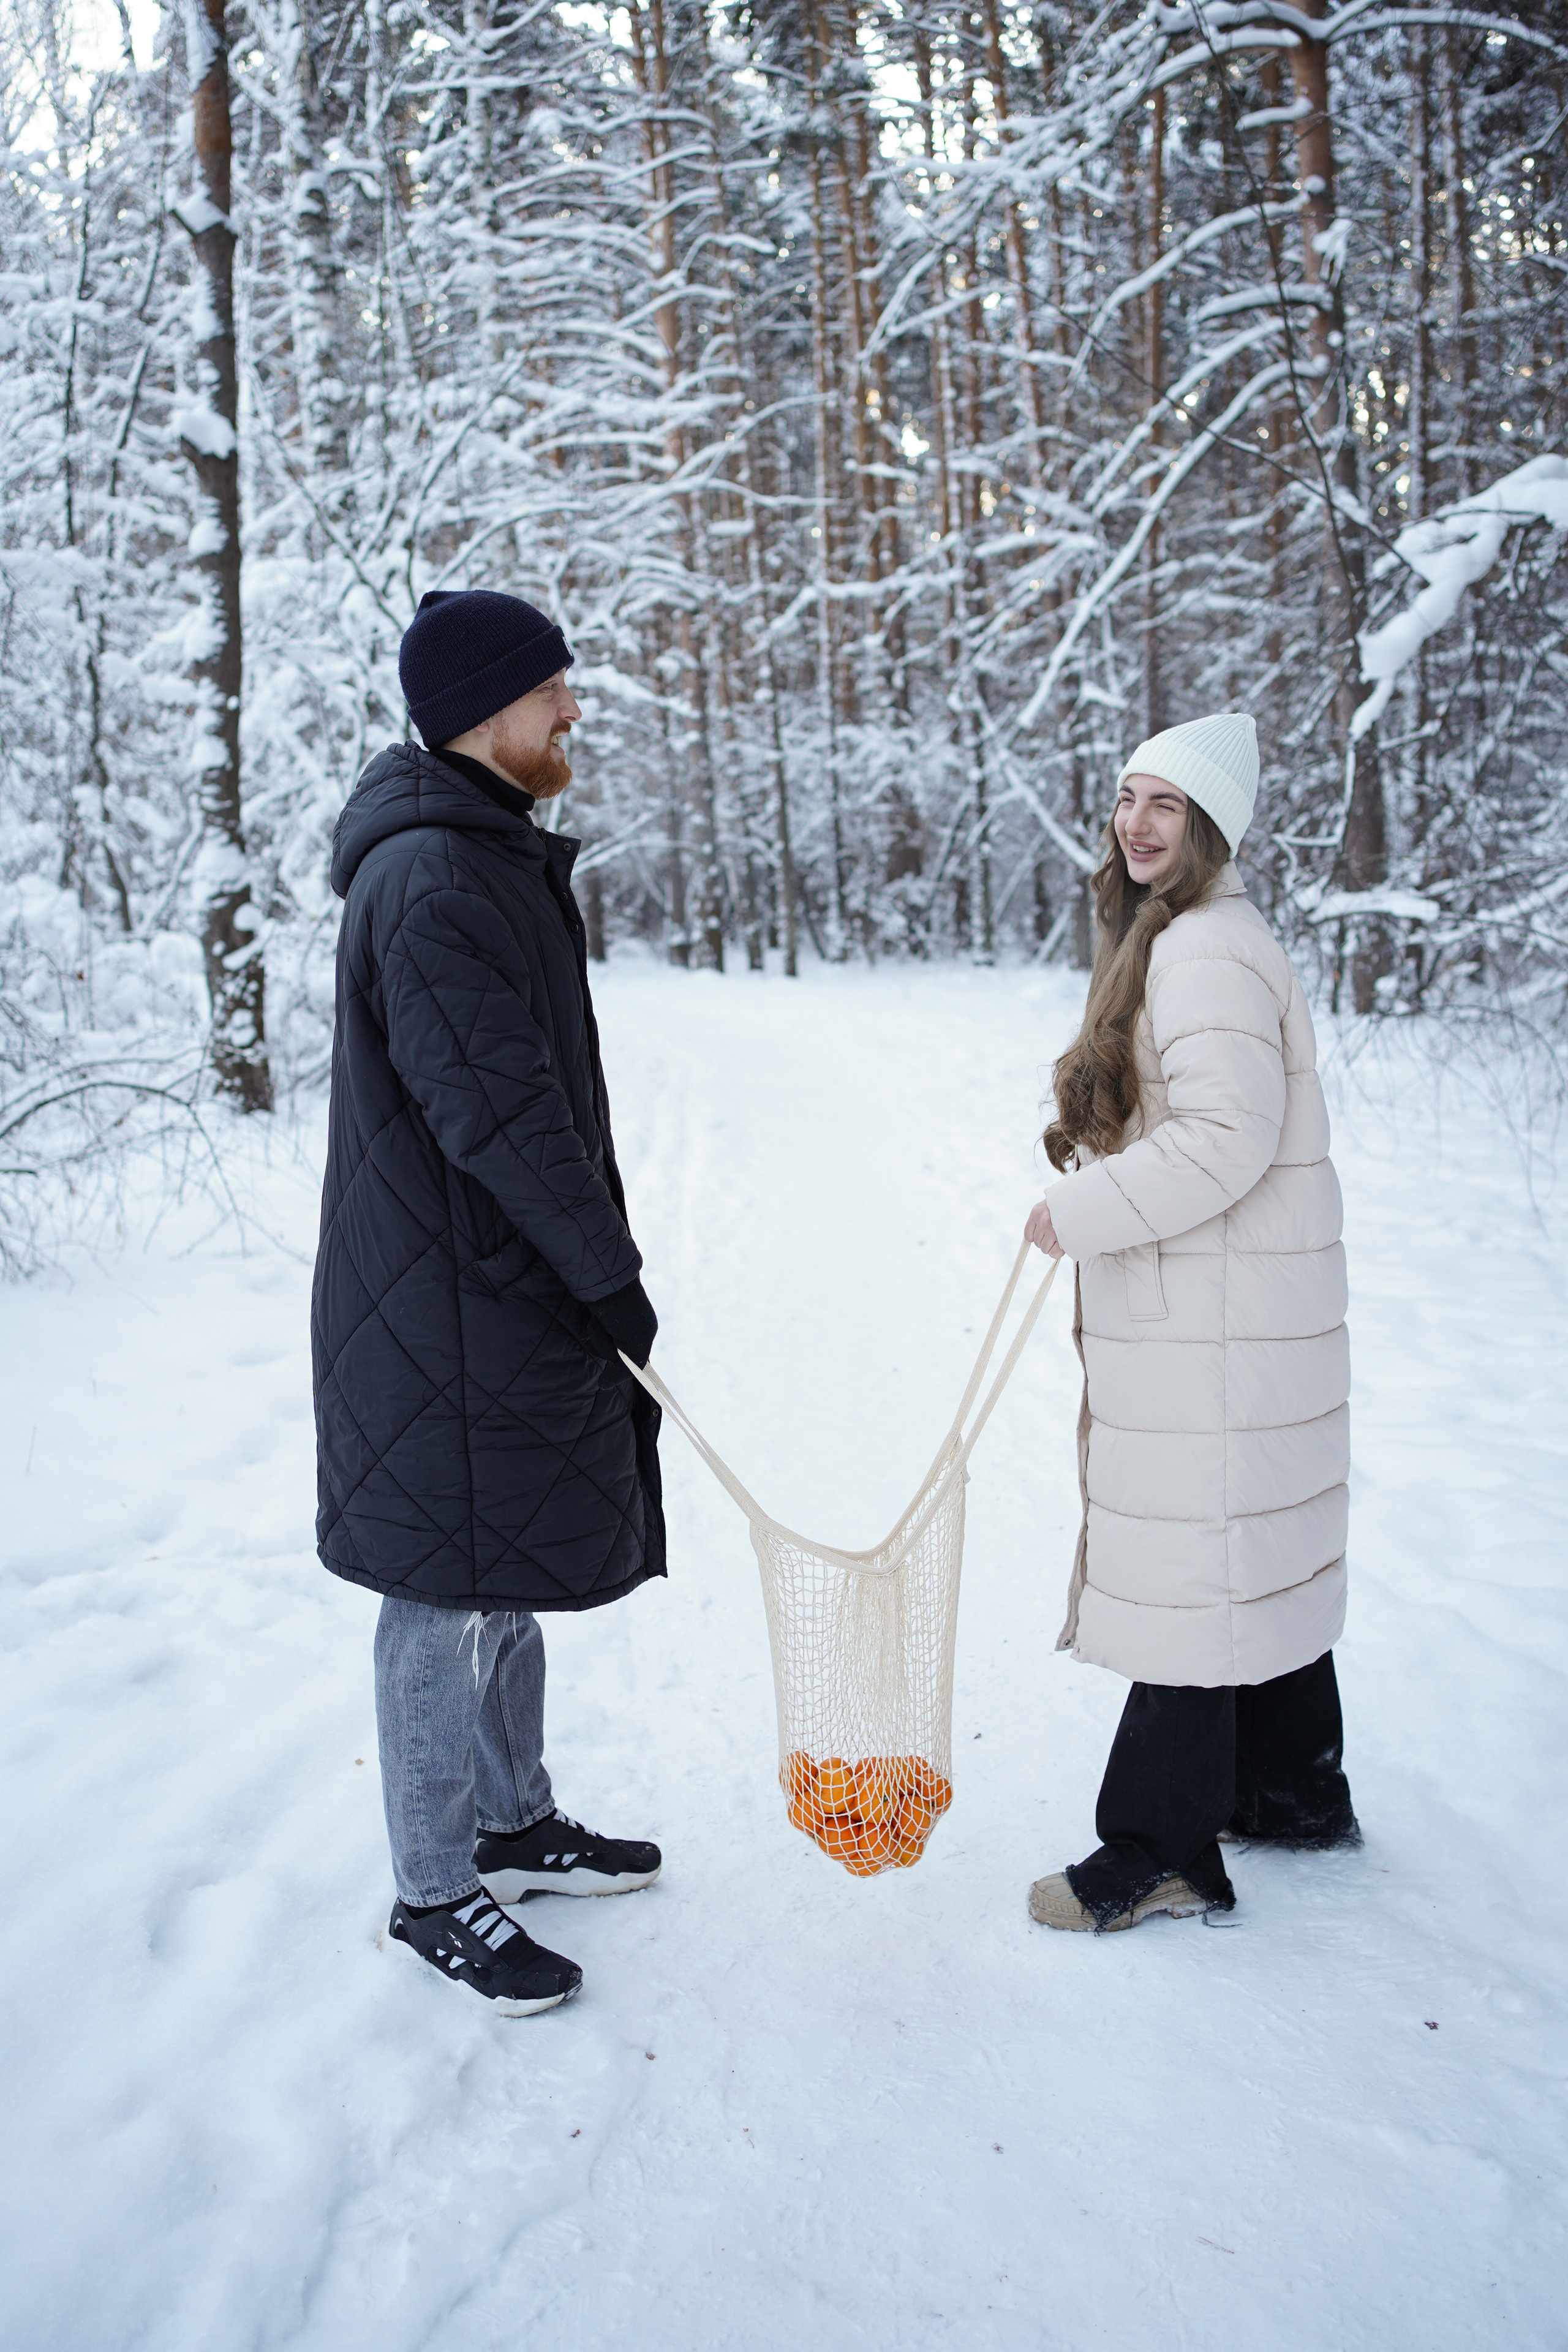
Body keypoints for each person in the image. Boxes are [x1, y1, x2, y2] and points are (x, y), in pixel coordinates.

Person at [312, 588, 666, 2016]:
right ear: (480, 711)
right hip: (443, 1298)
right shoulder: (436, 883)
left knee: (494, 1565)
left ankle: (511, 1823)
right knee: (437, 1590)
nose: (571, 708)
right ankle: (430, 1886)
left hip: (482, 1290)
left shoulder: (477, 854)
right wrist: (607, 1277)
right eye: (551, 690)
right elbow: (502, 1121)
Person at [1022, 711, 1359, 1935]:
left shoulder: (1200, 949)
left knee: (1192, 1561)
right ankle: (1287, 1788)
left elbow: (1225, 1138)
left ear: (1209, 828)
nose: (1135, 821)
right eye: (1126, 796)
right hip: (1236, 1306)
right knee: (1247, 1538)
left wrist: (1082, 1209)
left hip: (1213, 1312)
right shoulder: (1186, 933)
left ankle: (1158, 1850)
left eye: (1166, 804)